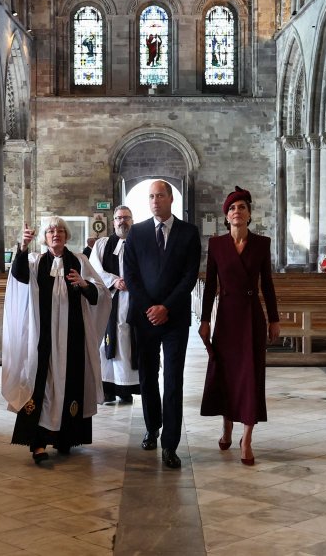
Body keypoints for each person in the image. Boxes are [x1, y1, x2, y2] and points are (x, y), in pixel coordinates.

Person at [2, 218, 111, 464]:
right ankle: (38, 443)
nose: (56, 234)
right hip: (43, 338)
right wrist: (22, 248)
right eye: (51, 231)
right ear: (44, 237)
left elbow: (101, 294)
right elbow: (17, 278)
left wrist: (84, 285)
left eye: (60, 230)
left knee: (70, 384)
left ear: (66, 235)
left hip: (72, 338)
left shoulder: (80, 261)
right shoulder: (35, 262)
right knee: (42, 385)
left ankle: (65, 439)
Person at [198, 186, 280, 466]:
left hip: (252, 317)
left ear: (249, 214)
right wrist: (205, 319)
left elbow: (267, 284)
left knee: (250, 375)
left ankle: (247, 438)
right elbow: (210, 286)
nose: (237, 212)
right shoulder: (217, 245)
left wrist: (274, 319)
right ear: (226, 216)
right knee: (228, 374)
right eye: (232, 208)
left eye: (242, 207)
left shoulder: (262, 243)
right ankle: (227, 425)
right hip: (227, 319)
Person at [123, 180, 200, 469]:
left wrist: (166, 307)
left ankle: (170, 443)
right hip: (144, 319)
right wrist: (149, 308)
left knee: (173, 380)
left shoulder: (188, 233)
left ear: (171, 199)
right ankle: (152, 426)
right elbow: (130, 275)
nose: (155, 201)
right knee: (147, 377)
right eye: (151, 197)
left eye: (160, 196)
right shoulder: (138, 232)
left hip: (175, 318)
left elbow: (189, 276)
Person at [89, 206, 139, 405]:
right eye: (118, 218)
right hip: (109, 300)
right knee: (106, 343)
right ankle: (107, 388)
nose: (122, 222)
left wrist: (133, 282)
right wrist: (114, 281)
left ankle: (125, 388)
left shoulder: (140, 242)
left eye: (126, 218)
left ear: (132, 221)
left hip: (133, 300)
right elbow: (93, 269)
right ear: (113, 222)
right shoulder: (102, 244)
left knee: (127, 342)